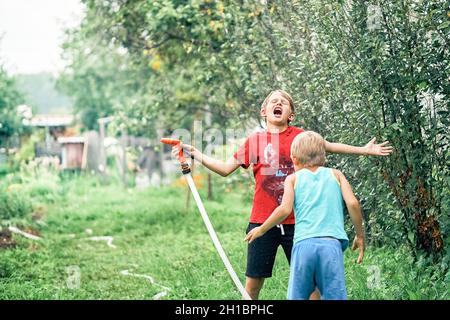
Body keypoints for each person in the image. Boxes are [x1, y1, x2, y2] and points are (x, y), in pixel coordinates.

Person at [173, 90, 391, 299]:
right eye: (273, 101)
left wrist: (364, 150)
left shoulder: (301, 137)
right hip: (262, 220)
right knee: (253, 283)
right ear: (264, 111)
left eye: (283, 102)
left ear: (291, 114)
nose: (278, 104)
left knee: (311, 286)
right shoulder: (254, 141)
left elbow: (330, 146)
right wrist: (195, 153)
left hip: (300, 223)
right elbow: (224, 168)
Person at [244, 131, 365, 300]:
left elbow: (284, 210)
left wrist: (261, 229)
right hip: (331, 245)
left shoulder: (293, 179)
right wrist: (359, 235)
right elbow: (352, 204)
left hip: (303, 246)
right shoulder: (336, 174)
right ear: (324, 157)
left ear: (294, 158)